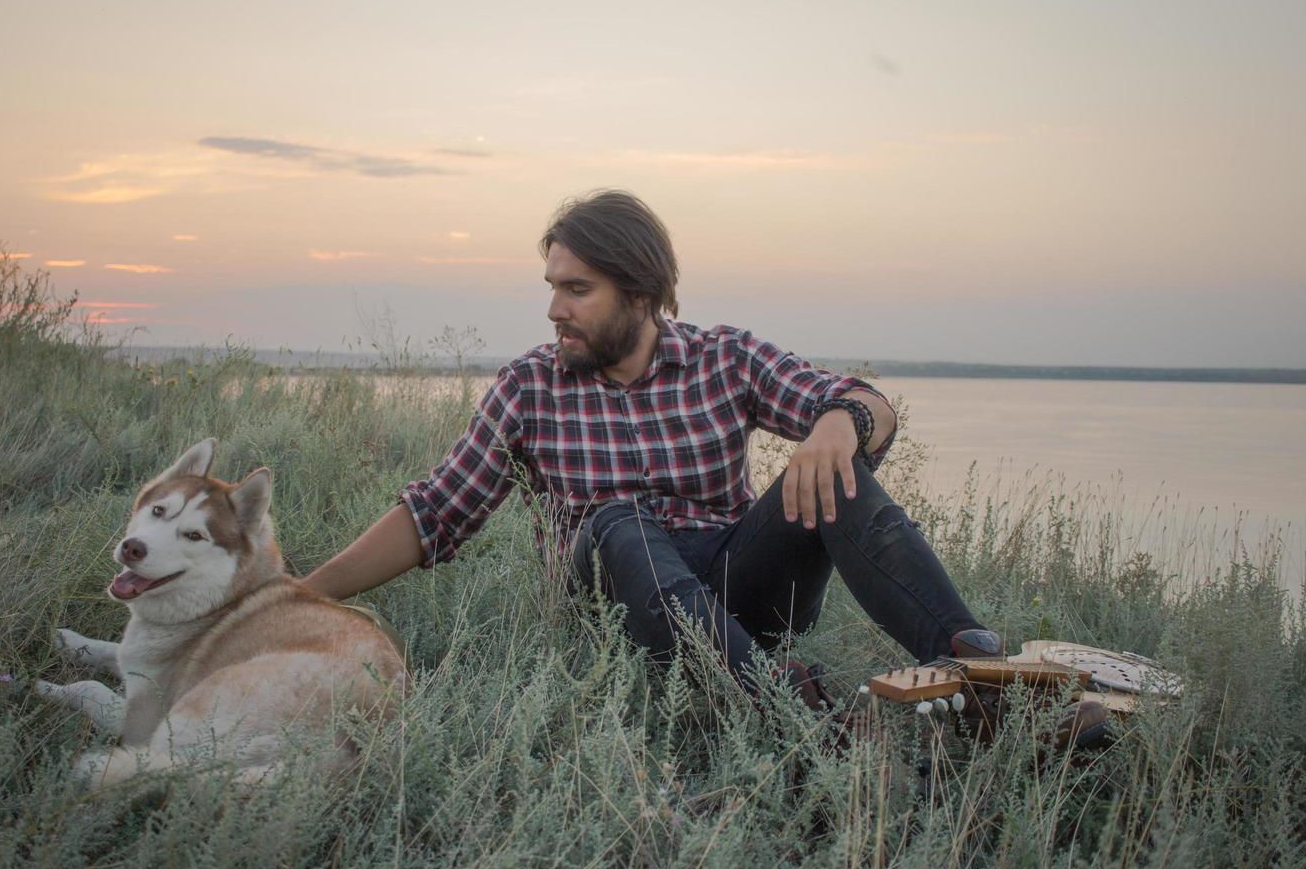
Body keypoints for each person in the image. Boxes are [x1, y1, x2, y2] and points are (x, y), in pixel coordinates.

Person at [304, 190, 999, 710]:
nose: (555, 311)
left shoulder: (723, 357)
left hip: (733, 589)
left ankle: (986, 675)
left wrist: (841, 422)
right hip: (615, 608)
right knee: (615, 519)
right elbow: (434, 514)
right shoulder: (529, 388)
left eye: (578, 290)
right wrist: (302, 597)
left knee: (837, 464)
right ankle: (779, 707)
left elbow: (867, 404)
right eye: (553, 288)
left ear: (639, 293)